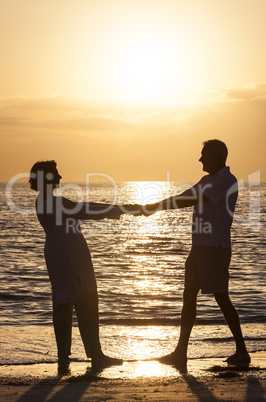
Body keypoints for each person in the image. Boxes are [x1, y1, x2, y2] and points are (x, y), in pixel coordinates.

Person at [143, 139, 250, 369]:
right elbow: (185, 195)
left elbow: (190, 199)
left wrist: (155, 207)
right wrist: (155, 206)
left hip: (215, 247)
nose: (200, 159)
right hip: (199, 247)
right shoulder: (207, 179)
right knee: (188, 295)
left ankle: (242, 350)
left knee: (221, 297)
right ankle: (181, 351)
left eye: (204, 155)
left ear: (216, 156)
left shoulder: (226, 180)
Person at [29, 160, 140, 375]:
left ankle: (66, 357)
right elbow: (86, 210)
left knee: (64, 303)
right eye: (55, 174)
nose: (60, 177)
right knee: (85, 302)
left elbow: (82, 210)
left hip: (60, 255)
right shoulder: (54, 203)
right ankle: (95, 355)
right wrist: (120, 209)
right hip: (70, 258)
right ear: (46, 178)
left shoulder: (44, 202)